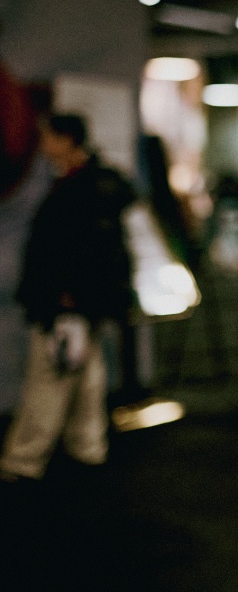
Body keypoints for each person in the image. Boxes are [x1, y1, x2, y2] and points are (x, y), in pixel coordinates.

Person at [1, 114, 136, 481]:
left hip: (66, 301)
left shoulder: (77, 188)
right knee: (86, 371)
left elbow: (71, 249)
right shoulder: (91, 185)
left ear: (66, 140)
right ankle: (88, 445)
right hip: (82, 300)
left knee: (50, 375)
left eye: (49, 138)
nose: (43, 146)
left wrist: (64, 297)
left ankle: (24, 459)